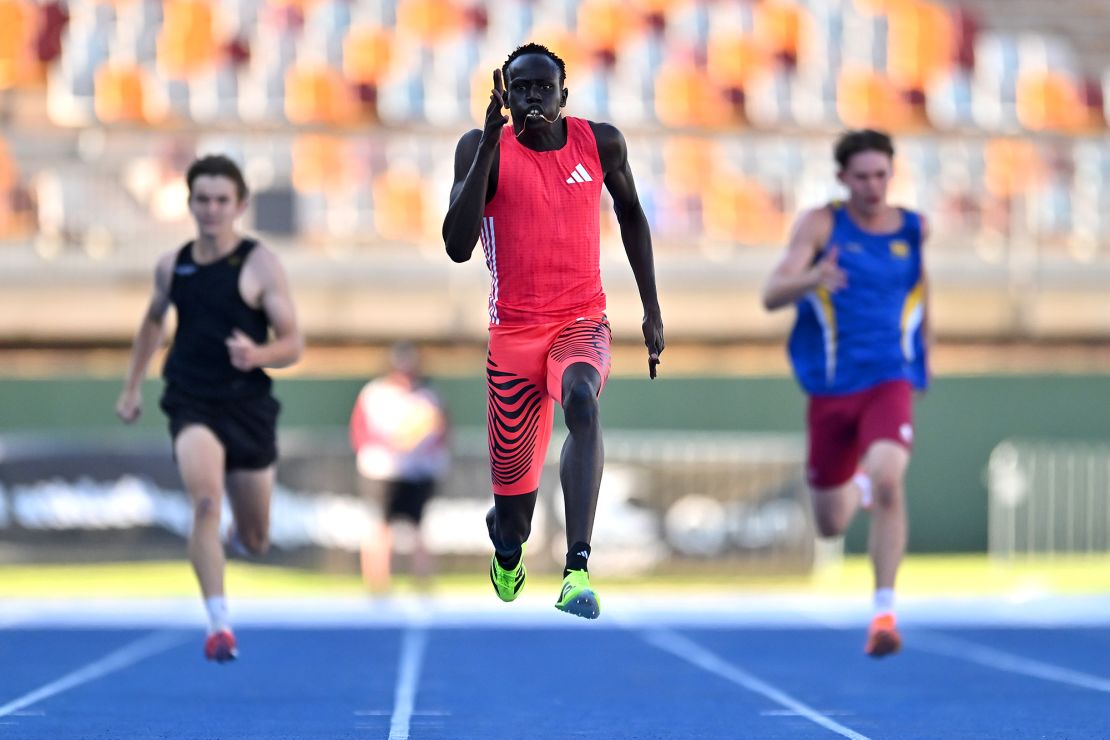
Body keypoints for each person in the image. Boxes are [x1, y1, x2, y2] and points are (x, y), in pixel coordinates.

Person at [441, 43, 664, 619]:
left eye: (543, 88)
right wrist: (490, 143)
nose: (532, 97)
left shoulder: (601, 143)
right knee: (514, 517)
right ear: (504, 94)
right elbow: (457, 247)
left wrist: (651, 310)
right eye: (520, 87)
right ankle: (508, 545)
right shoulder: (478, 146)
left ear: (564, 96)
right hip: (512, 336)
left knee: (584, 404)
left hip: (580, 321)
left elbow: (633, 213)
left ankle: (577, 568)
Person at [116, 154, 303, 662]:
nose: (212, 209)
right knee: (204, 502)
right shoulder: (172, 265)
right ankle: (219, 623)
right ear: (190, 203)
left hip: (246, 405)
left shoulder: (260, 263)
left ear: (239, 204)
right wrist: (132, 387)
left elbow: (293, 344)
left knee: (256, 536)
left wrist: (258, 354)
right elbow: (152, 324)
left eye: (222, 200)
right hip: (191, 400)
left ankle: (234, 540)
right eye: (203, 199)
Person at [762, 129, 929, 657]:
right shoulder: (821, 224)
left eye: (882, 174)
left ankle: (883, 612)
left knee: (889, 482)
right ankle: (852, 482)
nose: (873, 186)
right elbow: (772, 294)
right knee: (831, 524)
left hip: (889, 378)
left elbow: (922, 297)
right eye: (862, 176)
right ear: (842, 178)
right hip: (832, 388)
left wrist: (923, 363)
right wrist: (813, 278)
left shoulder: (913, 228)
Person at [349, 342, 449, 593]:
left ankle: (423, 585)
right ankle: (378, 586)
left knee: (419, 529)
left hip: (418, 472)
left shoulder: (428, 398)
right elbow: (361, 433)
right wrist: (394, 443)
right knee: (380, 528)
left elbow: (441, 432)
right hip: (383, 472)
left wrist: (419, 444)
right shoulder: (374, 394)